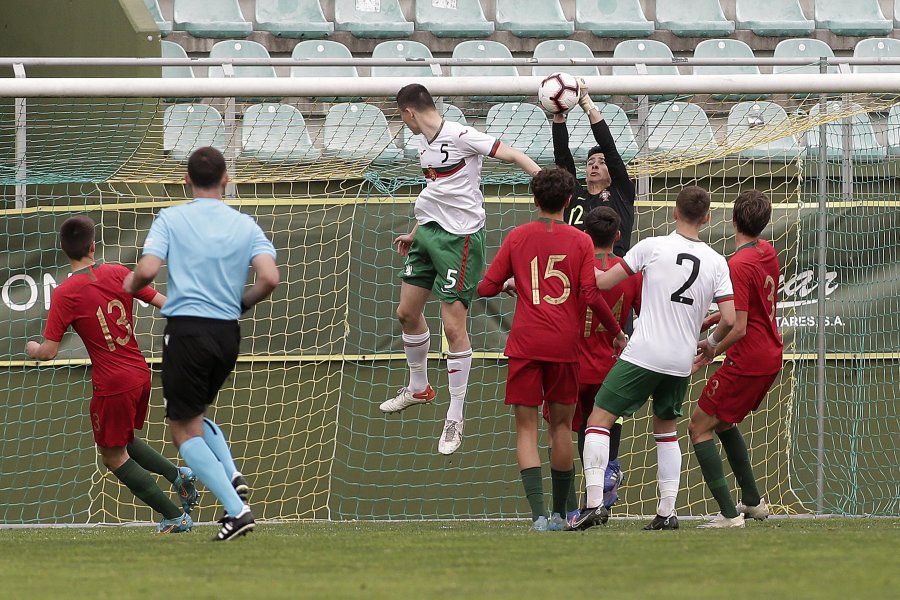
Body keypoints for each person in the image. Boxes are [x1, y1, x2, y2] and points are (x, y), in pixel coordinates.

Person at [125, 146, 280, 541]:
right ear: (227, 179)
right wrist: (239, 304)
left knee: (182, 429)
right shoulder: (246, 224)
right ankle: (230, 473)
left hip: (188, 331)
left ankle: (236, 509)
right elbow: (270, 278)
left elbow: (146, 269)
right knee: (195, 416)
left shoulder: (172, 218)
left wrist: (129, 285)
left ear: (186, 181)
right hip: (228, 334)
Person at [381, 83, 542, 456]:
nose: (402, 124)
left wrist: (549, 184)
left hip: (460, 239)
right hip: (427, 234)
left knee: (453, 327)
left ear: (409, 112)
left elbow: (514, 154)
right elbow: (436, 191)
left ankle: (455, 415)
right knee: (407, 313)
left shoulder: (462, 135)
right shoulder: (423, 142)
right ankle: (418, 386)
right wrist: (414, 232)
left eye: (400, 117)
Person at [567, 186, 736, 531]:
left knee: (598, 418)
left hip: (645, 352)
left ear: (674, 212)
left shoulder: (652, 246)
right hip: (681, 359)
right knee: (666, 429)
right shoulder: (717, 262)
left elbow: (600, 282)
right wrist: (711, 344)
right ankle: (667, 512)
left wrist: (583, 253)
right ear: (706, 218)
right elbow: (730, 318)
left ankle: (595, 504)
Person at [26, 215, 198, 534]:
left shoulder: (65, 293)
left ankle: (175, 516)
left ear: (64, 249)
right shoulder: (118, 272)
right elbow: (164, 302)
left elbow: (48, 351)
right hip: (138, 372)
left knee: (112, 456)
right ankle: (179, 476)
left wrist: (33, 347)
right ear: (93, 246)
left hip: (113, 383)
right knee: (125, 440)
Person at [477, 168, 627, 531]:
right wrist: (617, 333)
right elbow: (591, 295)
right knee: (561, 427)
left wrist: (511, 284)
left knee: (525, 430)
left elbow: (485, 287)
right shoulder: (580, 242)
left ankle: (538, 516)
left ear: (534, 199)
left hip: (526, 344)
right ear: (567, 201)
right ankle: (563, 514)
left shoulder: (517, 237)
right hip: (564, 346)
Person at [553, 80, 636, 497]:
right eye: (591, 161)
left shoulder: (621, 195)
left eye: (601, 160)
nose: (595, 164)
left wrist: (588, 107)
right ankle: (595, 478)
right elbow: (561, 162)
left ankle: (609, 466)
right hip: (577, 292)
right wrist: (558, 121)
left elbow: (615, 153)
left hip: (614, 292)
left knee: (609, 388)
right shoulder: (573, 198)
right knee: (580, 393)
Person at [689, 190, 783, 528]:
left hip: (748, 360)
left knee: (698, 427)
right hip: (770, 355)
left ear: (732, 220)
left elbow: (740, 327)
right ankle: (753, 502)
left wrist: (710, 345)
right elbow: (752, 309)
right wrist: (717, 317)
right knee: (724, 421)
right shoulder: (766, 251)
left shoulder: (737, 264)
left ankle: (729, 516)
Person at [543, 206, 643, 524]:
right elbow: (644, 314)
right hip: (609, 367)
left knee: (561, 434)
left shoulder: (573, 269)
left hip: (572, 364)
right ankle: (599, 496)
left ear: (586, 234)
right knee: (602, 428)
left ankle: (572, 507)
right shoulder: (630, 274)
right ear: (617, 235)